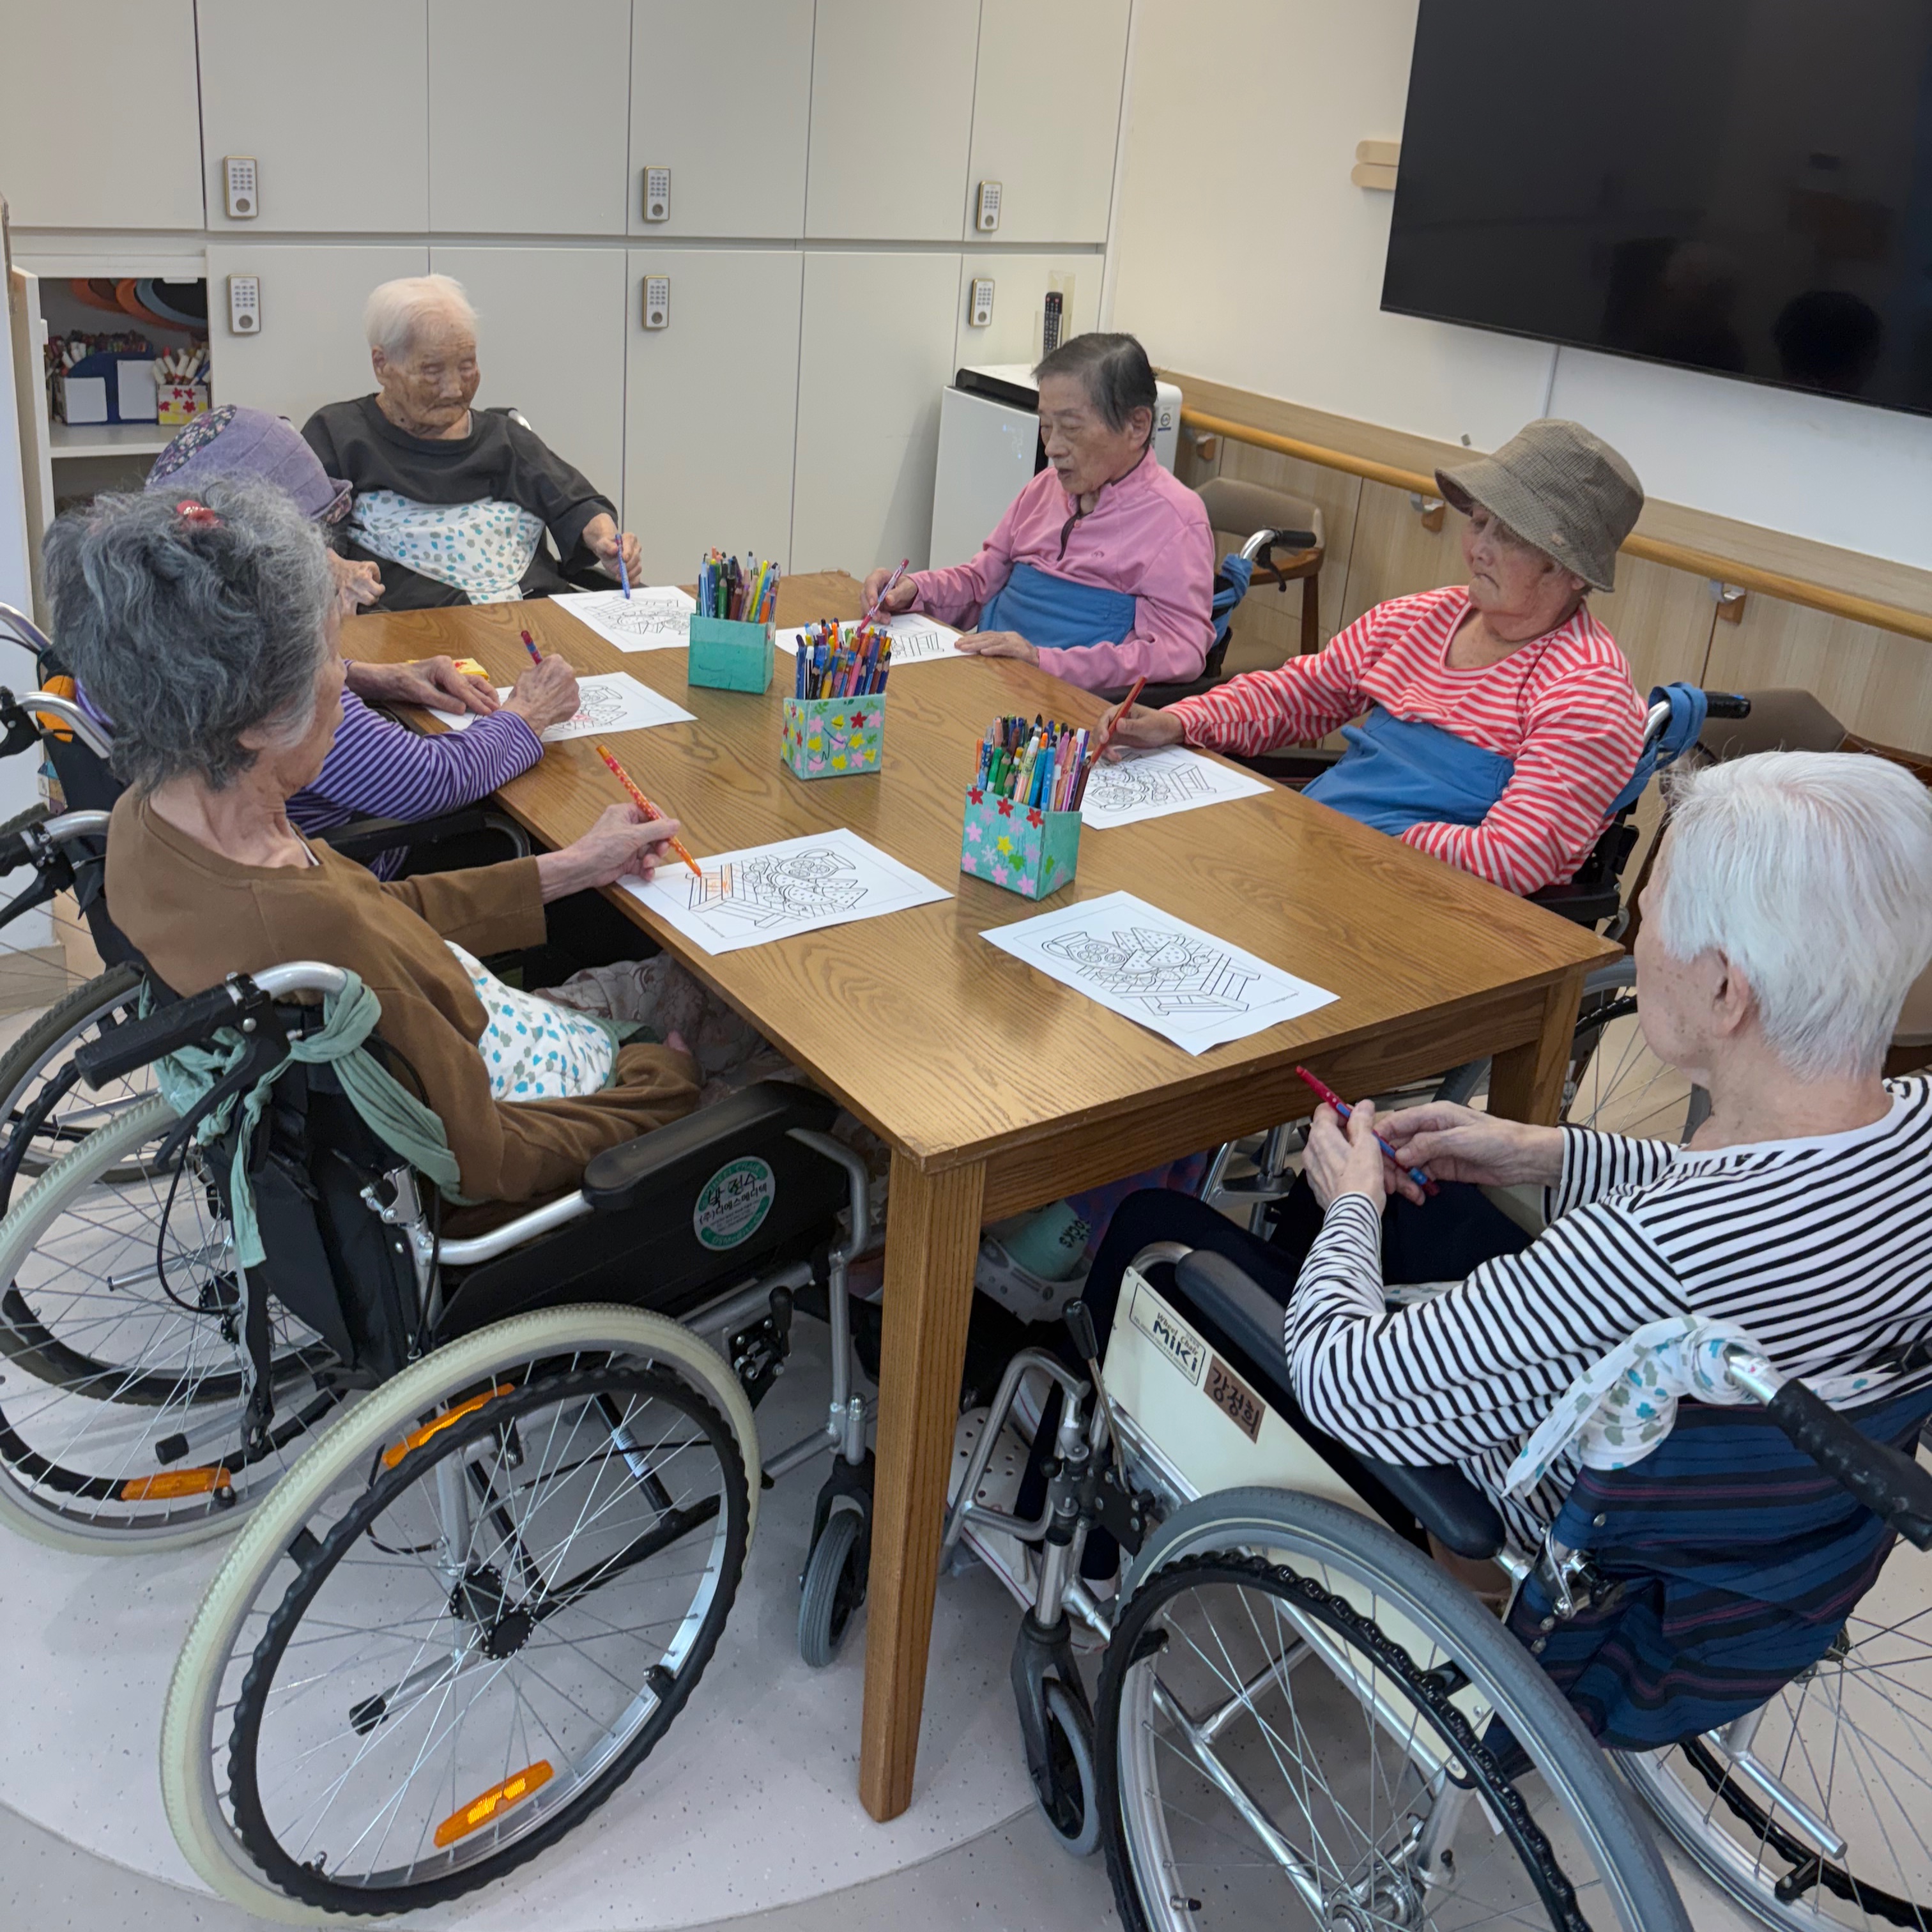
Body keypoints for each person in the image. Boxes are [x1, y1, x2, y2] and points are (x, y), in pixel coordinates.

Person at [1080, 748, 1932, 1557]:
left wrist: (1351, 1205)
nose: (1639, 938)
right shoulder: (1915, 1123)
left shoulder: (1641, 1257)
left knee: (1157, 1230)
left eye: (1652, 913)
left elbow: (1345, 1388)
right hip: (1734, 1509)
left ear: (1723, 989)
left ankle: (1092, 1538)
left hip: (1487, 1495)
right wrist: (1544, 1152)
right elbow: (1754, 1194)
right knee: (1421, 1198)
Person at [46, 482, 706, 1205]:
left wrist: (574, 866)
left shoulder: (149, 821)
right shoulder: (315, 926)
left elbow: (382, 912)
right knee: (743, 1030)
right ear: (260, 722)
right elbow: (489, 1159)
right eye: (330, 660)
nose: (345, 680)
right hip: (548, 1119)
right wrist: (665, 1086)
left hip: (478, 1038)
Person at [1105, 419, 1650, 895]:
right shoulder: (1423, 617)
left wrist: (1364, 838)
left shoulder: (1587, 690)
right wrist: (1181, 721)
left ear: (1570, 570)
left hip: (1419, 905)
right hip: (1321, 863)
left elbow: (1512, 859)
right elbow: (1299, 695)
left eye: (1508, 536)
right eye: (1478, 521)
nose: (1478, 548)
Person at [139, 404, 578, 876]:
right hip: (343, 872)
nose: (327, 561)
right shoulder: (269, 675)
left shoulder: (158, 620)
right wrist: (529, 713)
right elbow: (427, 780)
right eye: (312, 543)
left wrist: (376, 676)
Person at [862, 333, 1214, 693]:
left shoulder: (1177, 521)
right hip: (993, 683)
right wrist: (914, 591)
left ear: (1137, 425)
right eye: (1046, 426)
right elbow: (980, 583)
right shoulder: (1044, 488)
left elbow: (1180, 652)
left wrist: (1043, 660)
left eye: (1071, 428)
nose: (1052, 447)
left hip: (1066, 707)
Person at [302, 274, 642, 613]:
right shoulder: (339, 435)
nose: (454, 388)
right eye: (432, 371)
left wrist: (607, 542)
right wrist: (338, 570)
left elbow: (575, 502)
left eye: (467, 367)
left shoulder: (504, 438)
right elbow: (296, 540)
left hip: (531, 613)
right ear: (382, 364)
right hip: (409, 626)